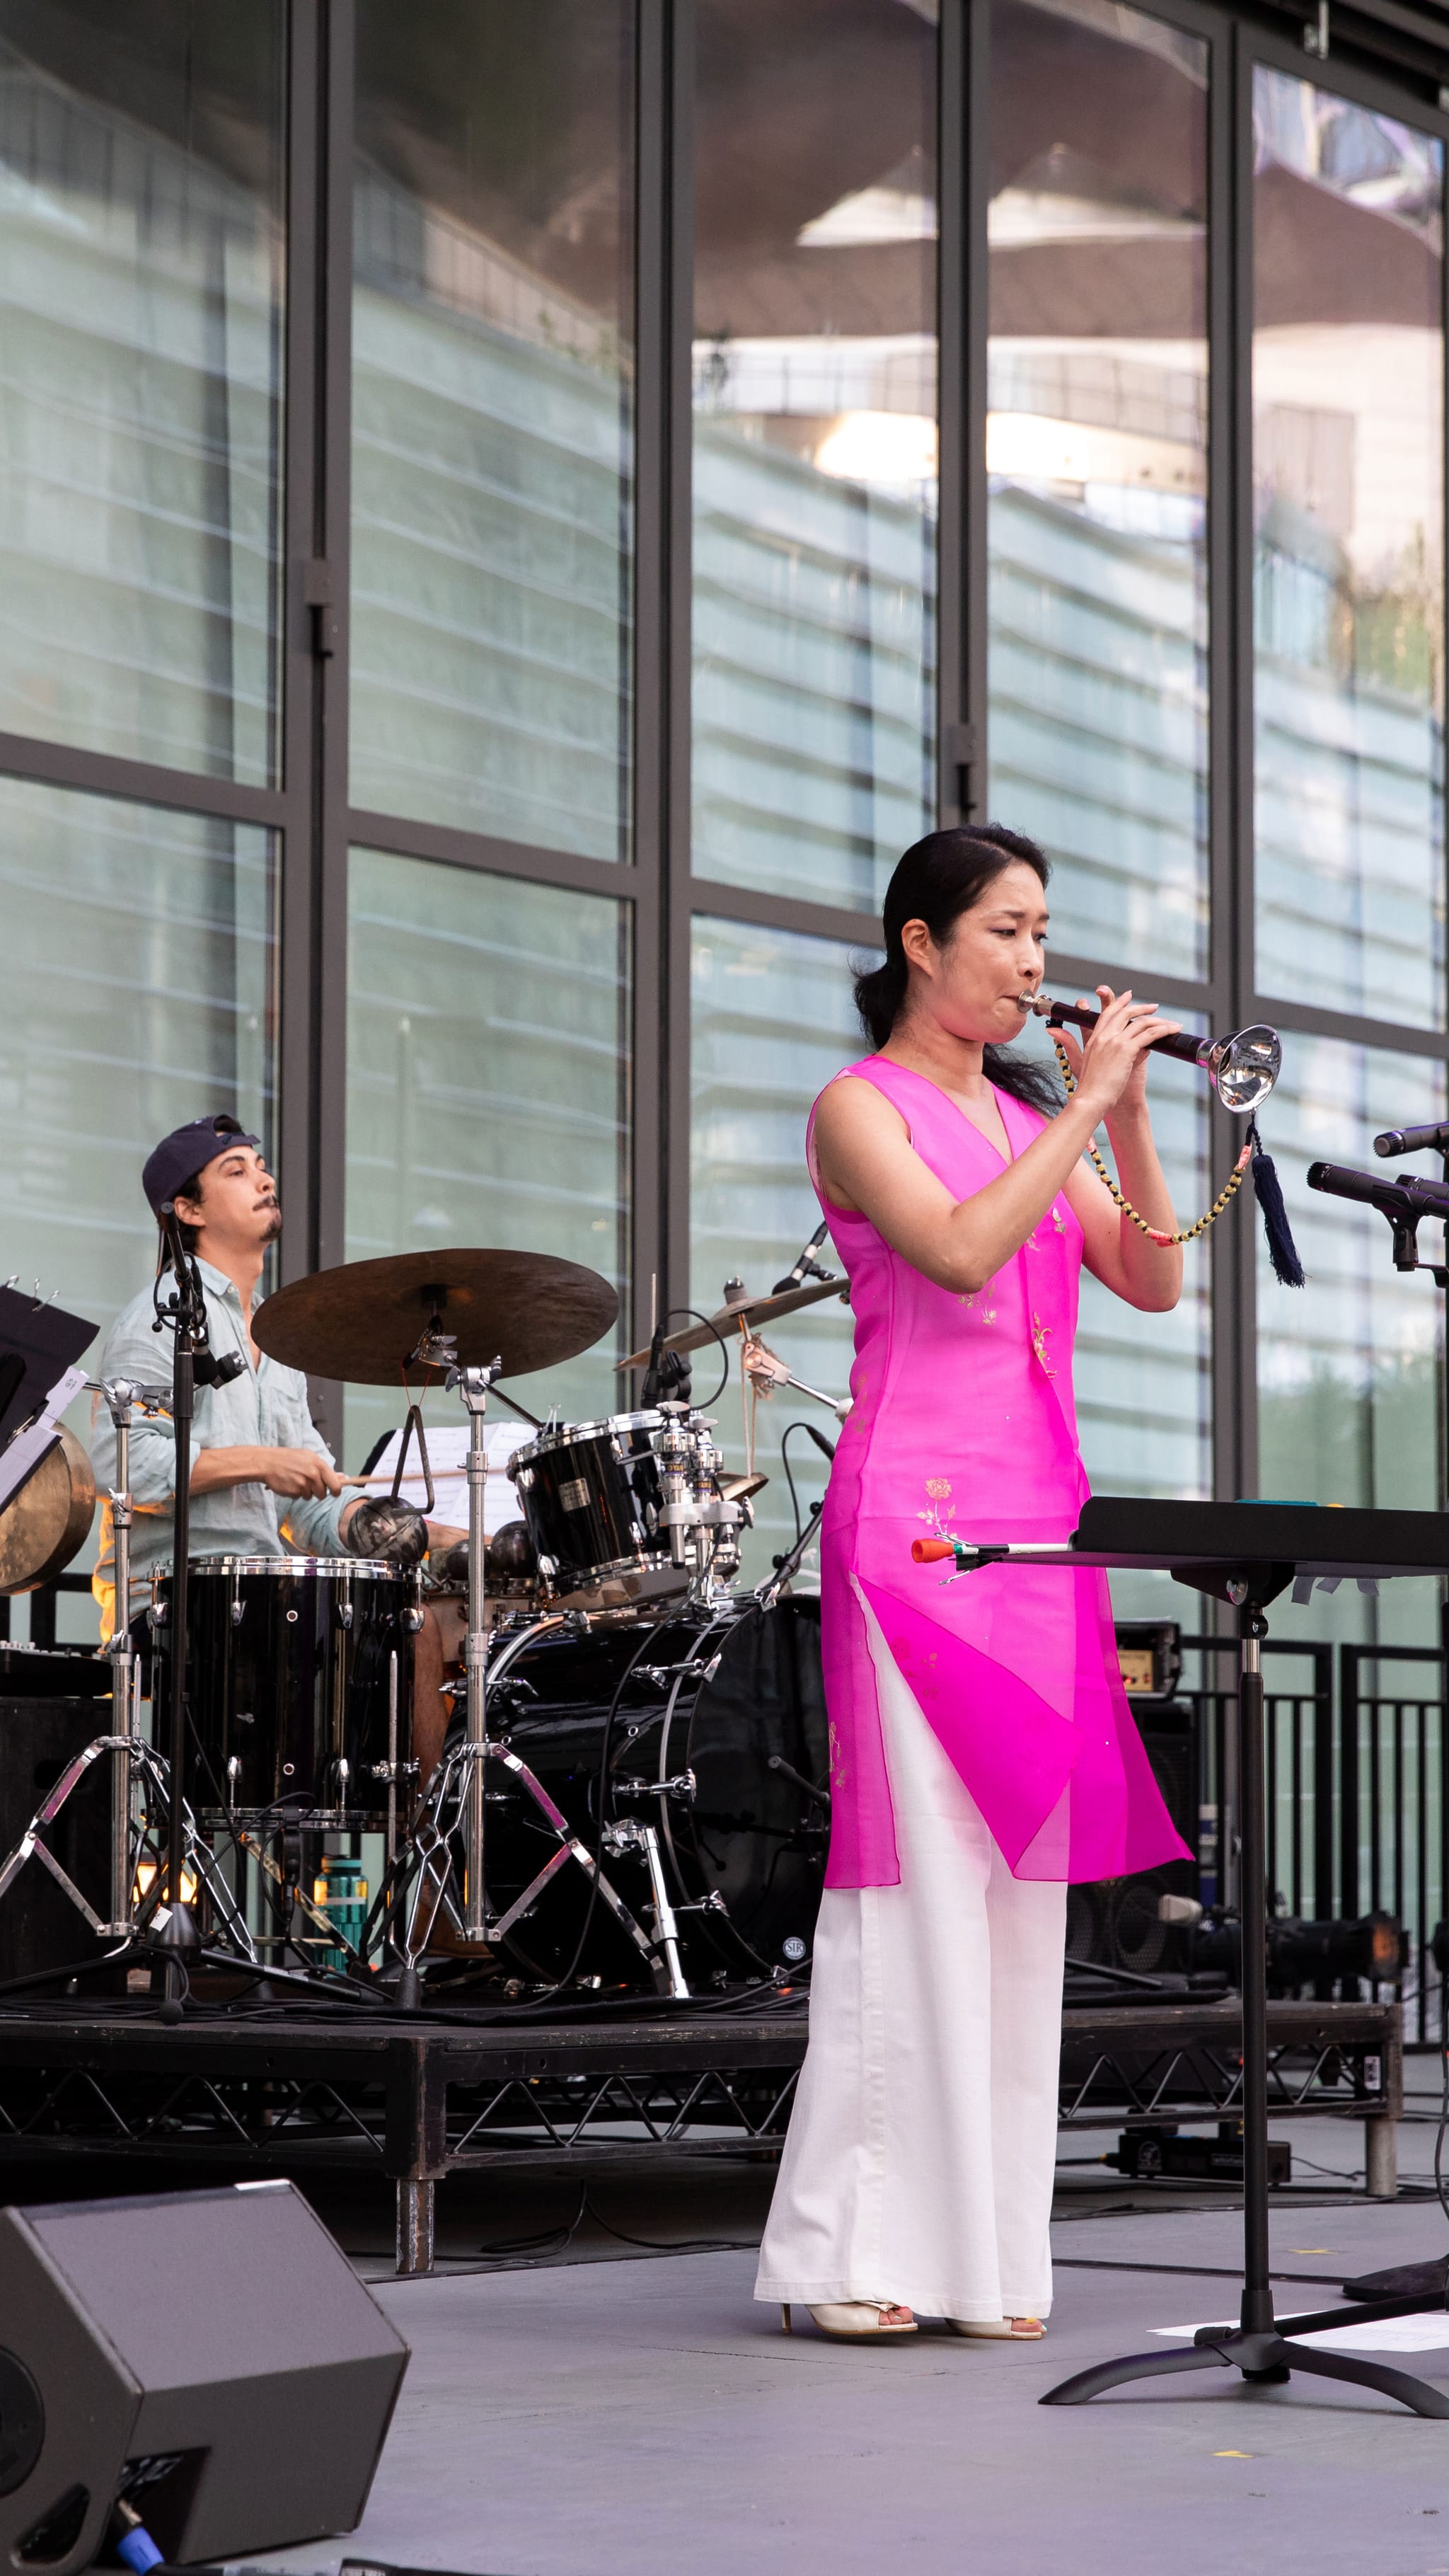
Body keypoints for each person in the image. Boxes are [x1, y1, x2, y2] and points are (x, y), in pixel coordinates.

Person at [754, 825, 1193, 2345]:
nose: (1031, 960)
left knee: (1018, 1896)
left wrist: (1118, 1117)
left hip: (1039, 1531)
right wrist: (1075, 1107)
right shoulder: (856, 1105)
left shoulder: (1030, 1115)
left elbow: (1149, 1276)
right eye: (1004, 929)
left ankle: (992, 2257)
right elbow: (950, 1252)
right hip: (917, 1531)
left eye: (1042, 930)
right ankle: (853, 2248)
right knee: (913, 1884)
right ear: (920, 941)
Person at [91, 1119, 460, 1769]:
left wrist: (375, 1523)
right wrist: (263, 1463)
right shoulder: (156, 1321)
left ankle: (428, 1837)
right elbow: (121, 1466)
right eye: (234, 1170)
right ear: (188, 1208)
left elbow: (306, 1502)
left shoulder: (277, 1339)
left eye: (260, 1164)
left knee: (424, 1623)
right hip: (178, 1608)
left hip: (265, 1600)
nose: (263, 1177)